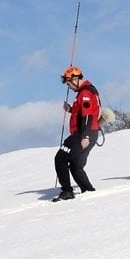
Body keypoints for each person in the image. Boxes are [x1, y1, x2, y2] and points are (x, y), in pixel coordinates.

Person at [53, 66, 101, 201]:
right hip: (87, 133)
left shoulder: (85, 93)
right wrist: (70, 109)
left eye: (68, 83)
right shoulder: (84, 92)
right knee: (75, 164)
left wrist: (85, 136)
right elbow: (83, 112)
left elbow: (87, 116)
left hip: (83, 134)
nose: (68, 86)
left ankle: (67, 191)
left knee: (60, 158)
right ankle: (88, 190)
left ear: (74, 79)